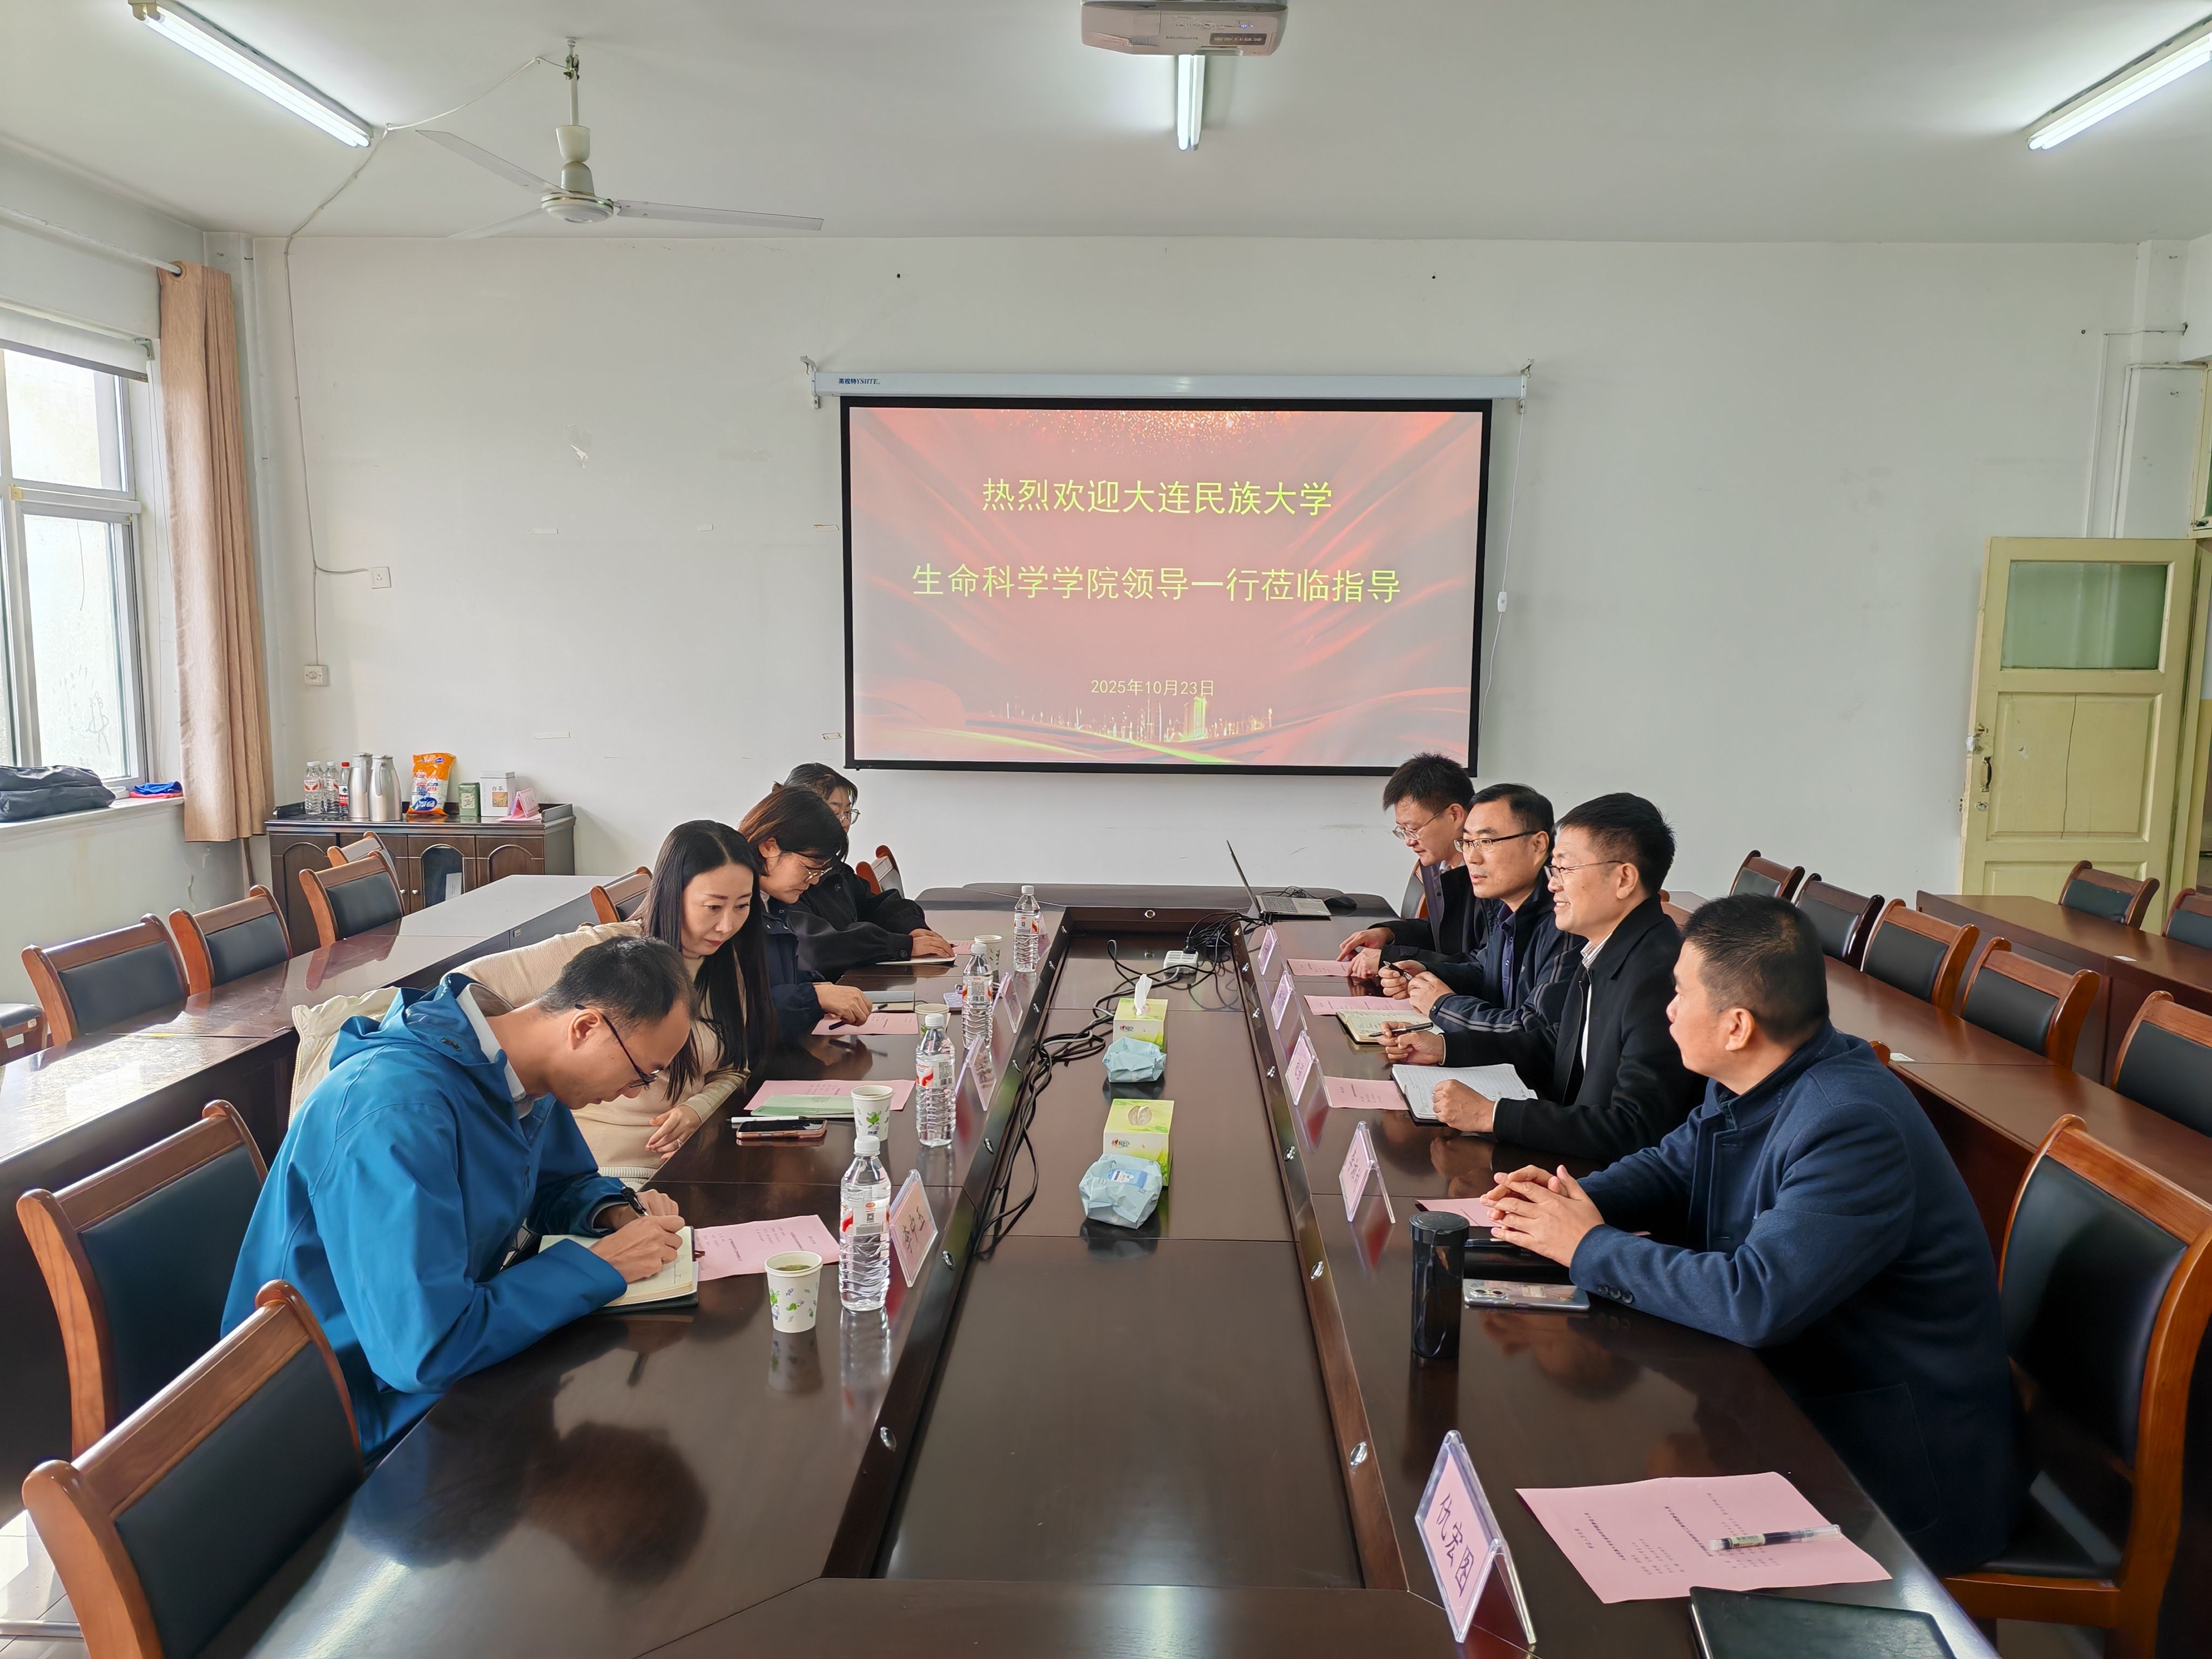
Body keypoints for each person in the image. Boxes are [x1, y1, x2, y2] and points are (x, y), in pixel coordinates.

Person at [1481, 896, 2021, 1574]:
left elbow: (1754, 1299)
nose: (1667, 1010)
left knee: (1580, 1510)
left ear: (1736, 1026)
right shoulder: (1761, 1073)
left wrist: (1586, 1246)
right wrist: (1569, 1200)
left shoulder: (1851, 1124)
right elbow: (1674, 1165)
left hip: (1892, 1466)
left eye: (1680, 994)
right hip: (1793, 1397)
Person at [221, 936, 698, 1458]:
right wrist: (601, 1265)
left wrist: (615, 1212)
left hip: (433, 1365)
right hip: (335, 1411)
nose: (636, 1092)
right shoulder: (397, 1113)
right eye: (641, 1073)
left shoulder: (516, 1075)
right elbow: (424, 1352)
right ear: (585, 1027)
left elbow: (556, 1183)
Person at [1380, 792, 1700, 1161]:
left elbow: (1633, 1128)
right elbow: (1550, 1044)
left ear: (1624, 879)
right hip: (1567, 1148)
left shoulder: (1659, 974)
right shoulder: (1605, 946)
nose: (1552, 884)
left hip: (1600, 1176)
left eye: (1565, 869)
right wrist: (1446, 1048)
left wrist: (1494, 1115)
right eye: (1555, 869)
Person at [458, 821, 773, 1174]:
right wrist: (500, 1103)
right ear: (673, 894)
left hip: (684, 1163)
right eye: (713, 907)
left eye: (742, 906)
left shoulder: (725, 964)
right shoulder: (612, 953)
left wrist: (697, 1109)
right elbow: (464, 985)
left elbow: (734, 1066)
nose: (728, 925)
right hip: (600, 1172)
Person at [1377, 784, 1575, 1053]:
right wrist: (1425, 972)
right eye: (1468, 842)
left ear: (1537, 845)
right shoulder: (1503, 903)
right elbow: (1486, 972)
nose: (1472, 857)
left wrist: (1443, 1005)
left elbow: (1534, 1029)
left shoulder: (1564, 921)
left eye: (1486, 842)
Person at [781, 763, 957, 974]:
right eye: (834, 813)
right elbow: (819, 945)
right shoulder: (785, 881)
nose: (844, 823)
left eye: (848, 813)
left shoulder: (833, 867)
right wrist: (902, 945)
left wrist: (913, 928)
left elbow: (877, 905)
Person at [738, 785, 875, 1035]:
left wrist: (819, 987)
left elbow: (782, 979)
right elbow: (738, 1009)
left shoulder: (772, 903)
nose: (814, 881)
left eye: (821, 871)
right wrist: (813, 997)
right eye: (810, 868)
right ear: (770, 847)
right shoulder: (733, 914)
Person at [1335, 754, 1483, 982]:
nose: (1409, 841)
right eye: (1402, 830)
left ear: (1455, 815)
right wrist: (1389, 933)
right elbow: (1443, 935)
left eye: (1413, 829)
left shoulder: (1488, 874)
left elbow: (1481, 964)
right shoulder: (1436, 864)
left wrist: (1391, 958)